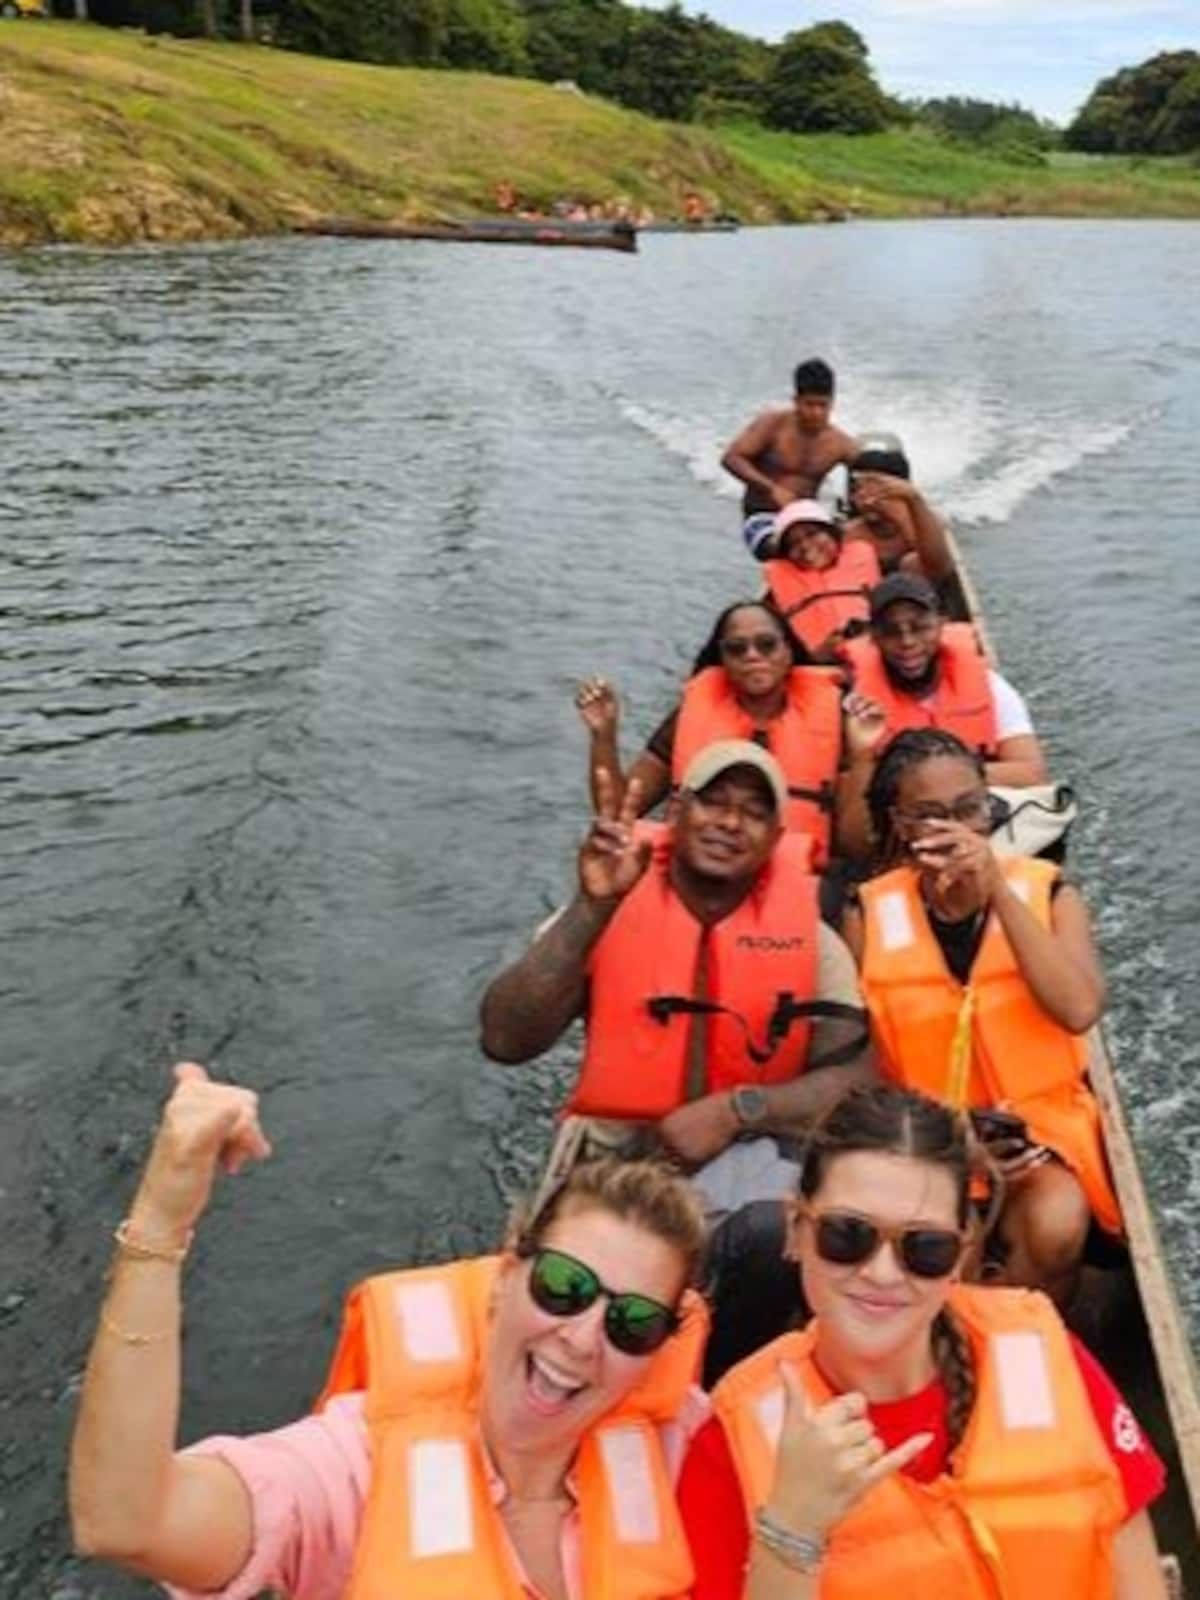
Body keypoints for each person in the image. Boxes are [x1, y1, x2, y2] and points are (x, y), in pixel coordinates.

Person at [69, 1064, 712, 1600]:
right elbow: (126, 1522)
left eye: (632, 1323)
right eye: (564, 1287)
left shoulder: (676, 1439)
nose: (581, 1338)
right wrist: (160, 1220)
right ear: (507, 1275)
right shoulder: (351, 1470)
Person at [679, 1084, 1167, 1600]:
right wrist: (791, 1531)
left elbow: (1138, 1578)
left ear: (961, 1253)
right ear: (797, 1231)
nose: (882, 1273)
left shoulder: (1043, 1355)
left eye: (926, 1247)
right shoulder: (734, 1438)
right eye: (848, 1234)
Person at [841, 730, 1121, 1305]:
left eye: (971, 809)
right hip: (923, 1135)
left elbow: (1078, 1008)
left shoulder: (1051, 896)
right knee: (941, 1251)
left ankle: (1024, 1337)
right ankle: (945, 1342)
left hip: (1037, 1139)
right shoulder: (866, 914)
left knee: (1058, 1219)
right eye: (931, 815)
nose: (957, 828)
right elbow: (861, 1061)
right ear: (900, 823)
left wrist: (995, 888)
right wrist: (944, 1137)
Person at [575, 601, 845, 867]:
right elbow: (617, 810)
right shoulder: (689, 716)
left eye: (766, 644)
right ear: (723, 660)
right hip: (701, 875)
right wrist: (604, 736)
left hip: (796, 877)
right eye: (736, 649)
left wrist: (864, 756)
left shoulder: (836, 719)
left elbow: (855, 843)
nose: (752, 655)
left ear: (788, 651)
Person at [836, 574, 1047, 861]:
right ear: (874, 637)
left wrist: (935, 782)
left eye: (920, 627)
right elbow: (853, 843)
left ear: (941, 623)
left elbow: (1032, 774)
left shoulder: (990, 686)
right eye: (891, 631)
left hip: (983, 836)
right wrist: (861, 756)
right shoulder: (857, 709)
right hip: (908, 850)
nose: (907, 641)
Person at [722, 360, 859, 517]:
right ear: (796, 401)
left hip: (804, 519)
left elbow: (868, 475)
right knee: (773, 541)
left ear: (832, 404)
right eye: (809, 404)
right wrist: (771, 489)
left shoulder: (841, 444)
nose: (816, 413)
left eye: (823, 405)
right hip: (761, 513)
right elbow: (731, 458)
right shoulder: (772, 424)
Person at [759, 500, 881, 662]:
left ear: (832, 533)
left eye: (812, 534)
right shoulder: (774, 589)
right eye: (793, 543)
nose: (805, 546)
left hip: (874, 656)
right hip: (818, 669)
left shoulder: (863, 555)